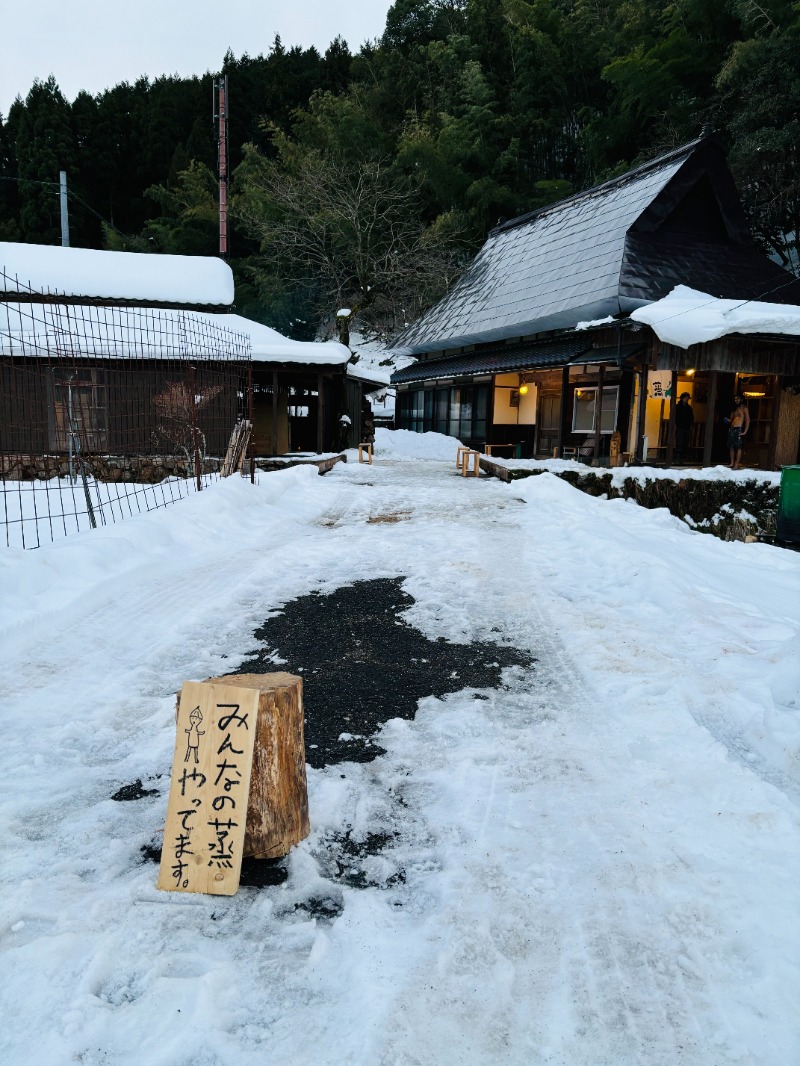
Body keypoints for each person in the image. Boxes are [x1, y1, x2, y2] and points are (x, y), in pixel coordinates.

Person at [724, 394, 750, 470]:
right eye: (735, 399)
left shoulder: (744, 408)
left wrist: (745, 431)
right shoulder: (734, 408)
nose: (736, 400)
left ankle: (736, 463)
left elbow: (747, 420)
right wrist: (727, 420)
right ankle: (732, 462)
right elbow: (731, 419)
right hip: (732, 428)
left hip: (739, 428)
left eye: (737, 399)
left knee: (738, 447)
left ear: (741, 399)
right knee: (731, 446)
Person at [674, 391, 694, 465]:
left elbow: (692, 417)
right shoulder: (677, 406)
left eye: (688, 398)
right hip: (680, 427)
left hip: (687, 427)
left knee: (685, 443)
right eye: (685, 398)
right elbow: (675, 416)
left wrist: (690, 423)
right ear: (682, 398)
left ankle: (682, 459)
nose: (687, 399)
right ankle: (678, 459)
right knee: (680, 443)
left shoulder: (689, 408)